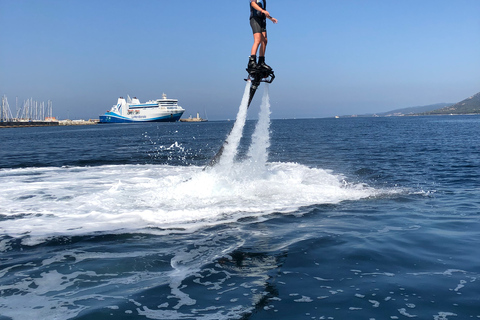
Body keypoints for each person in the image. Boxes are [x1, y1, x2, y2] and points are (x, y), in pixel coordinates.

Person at [248, 0, 278, 72]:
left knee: (264, 40)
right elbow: (253, 4)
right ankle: (252, 61)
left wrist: (271, 18)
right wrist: (262, 10)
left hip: (262, 20)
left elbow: (263, 12)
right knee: (257, 40)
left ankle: (261, 61)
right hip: (255, 19)